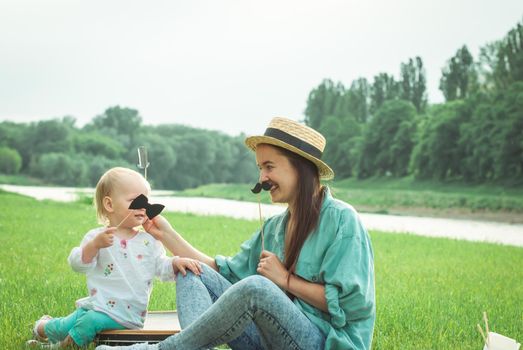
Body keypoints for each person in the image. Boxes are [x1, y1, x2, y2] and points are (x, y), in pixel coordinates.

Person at [97, 117, 376, 350]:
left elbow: (351, 304)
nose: (262, 179)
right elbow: (223, 273)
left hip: (323, 342)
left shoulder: (343, 221)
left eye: (269, 167)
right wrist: (165, 234)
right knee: (191, 271)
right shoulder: (276, 227)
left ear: (300, 168)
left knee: (258, 287)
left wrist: (285, 279)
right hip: (269, 340)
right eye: (259, 168)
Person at [28, 167, 202, 349]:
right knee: (65, 325)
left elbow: (160, 266)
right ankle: (41, 327)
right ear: (110, 205)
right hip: (97, 306)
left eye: (146, 200)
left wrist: (175, 262)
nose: (143, 206)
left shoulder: (149, 241)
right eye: (135, 200)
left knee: (88, 323)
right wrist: (94, 246)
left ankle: (56, 347)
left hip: (127, 316)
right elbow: (77, 264)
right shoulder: (97, 237)